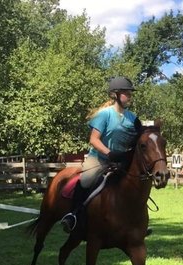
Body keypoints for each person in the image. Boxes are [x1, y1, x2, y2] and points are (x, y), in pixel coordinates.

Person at [61, 76, 144, 233]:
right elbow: (94, 139)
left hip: (121, 162)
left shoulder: (133, 118)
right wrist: (109, 153)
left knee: (135, 184)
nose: (130, 95)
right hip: (99, 159)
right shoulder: (104, 115)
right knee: (86, 180)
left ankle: (137, 222)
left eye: (130, 93)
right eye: (127, 92)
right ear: (115, 94)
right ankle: (73, 215)